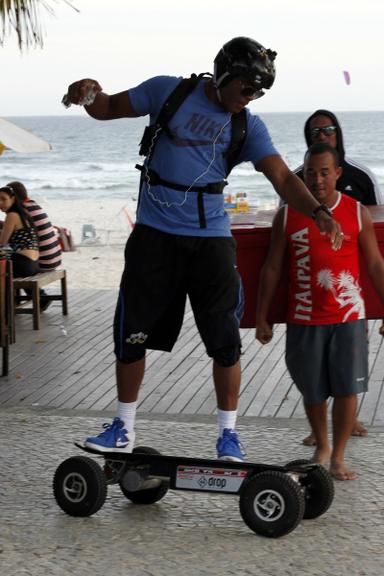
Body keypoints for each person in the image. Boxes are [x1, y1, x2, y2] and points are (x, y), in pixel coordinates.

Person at [64, 37, 341, 461]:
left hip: (211, 239)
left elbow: (284, 179)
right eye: (247, 88)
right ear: (226, 76)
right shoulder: (168, 92)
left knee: (225, 340)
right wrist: (88, 93)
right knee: (132, 333)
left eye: (260, 92)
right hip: (154, 235)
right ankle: (123, 427)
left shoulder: (247, 125)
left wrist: (318, 211)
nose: (251, 98)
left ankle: (228, 436)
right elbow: (107, 108)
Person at [256, 143, 384, 479]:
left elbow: (374, 264)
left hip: (348, 317)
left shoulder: (357, 212)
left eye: (325, 172)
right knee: (312, 389)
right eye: (310, 172)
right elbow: (272, 267)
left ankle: (338, 455)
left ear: (338, 173)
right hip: (304, 317)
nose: (317, 180)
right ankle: (322, 445)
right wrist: (261, 316)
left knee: (347, 389)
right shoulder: (287, 214)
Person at [295, 110, 384, 444]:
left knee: (350, 356)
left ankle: (350, 418)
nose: (322, 134)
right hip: (310, 288)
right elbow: (285, 225)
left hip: (351, 286)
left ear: (338, 133)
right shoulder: (296, 180)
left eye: (329, 129)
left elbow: (377, 228)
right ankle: (318, 428)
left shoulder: (361, 176)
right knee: (311, 365)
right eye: (315, 130)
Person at [4, 181, 62, 311]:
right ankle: (41, 298)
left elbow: (8, 236)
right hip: (54, 257)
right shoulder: (33, 205)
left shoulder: (20, 210)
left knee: (15, 264)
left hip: (42, 260)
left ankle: (9, 305)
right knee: (20, 260)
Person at [0, 184, 40, 278]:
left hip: (23, 263)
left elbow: (2, 244)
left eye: (4, 199)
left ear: (13, 199)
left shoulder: (11, 215)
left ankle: (6, 292)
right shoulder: (23, 212)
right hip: (34, 263)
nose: (0, 202)